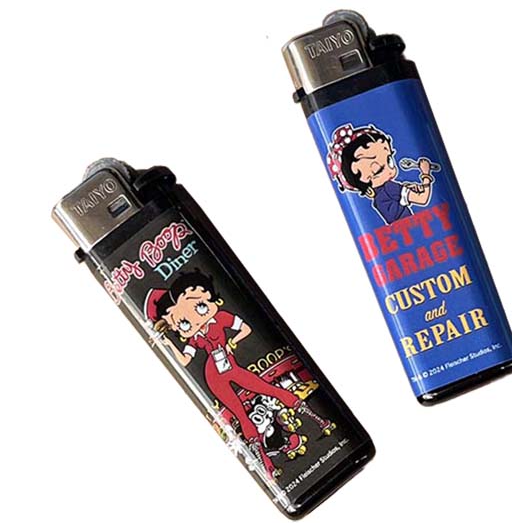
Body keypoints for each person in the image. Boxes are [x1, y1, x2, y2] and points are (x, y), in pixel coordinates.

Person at [148, 271, 331, 479]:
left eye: (200, 306)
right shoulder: (194, 339)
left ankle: (319, 420)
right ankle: (268, 467)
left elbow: (245, 328)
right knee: (240, 414)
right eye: (184, 323)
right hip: (213, 377)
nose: (195, 320)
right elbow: (184, 360)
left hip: (231, 367)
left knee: (270, 389)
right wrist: (169, 344)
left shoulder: (221, 318)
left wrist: (231, 342)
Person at [327, 123, 434, 223]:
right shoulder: (390, 188)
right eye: (379, 170)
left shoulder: (378, 198)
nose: (391, 170)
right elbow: (423, 199)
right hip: (416, 226)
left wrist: (406, 189)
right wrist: (426, 174)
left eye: (389, 160)